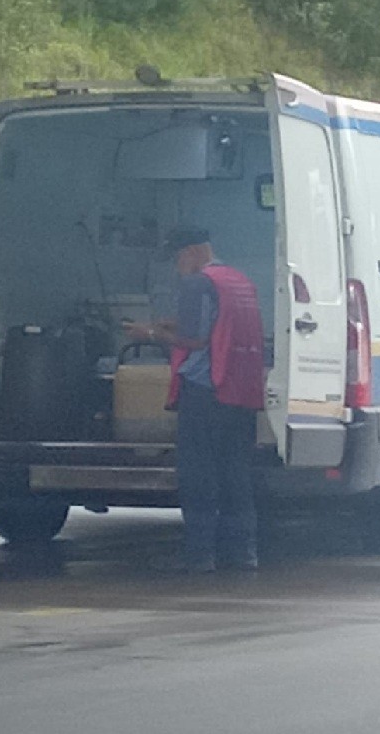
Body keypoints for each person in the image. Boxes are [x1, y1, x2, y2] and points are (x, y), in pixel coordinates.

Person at [128, 225, 265, 573]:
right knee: (236, 472)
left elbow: (195, 340)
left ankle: (200, 555)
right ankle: (243, 552)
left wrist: (151, 333)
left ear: (191, 253)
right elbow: (220, 325)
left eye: (177, 259)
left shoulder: (196, 283)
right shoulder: (237, 281)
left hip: (205, 391)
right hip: (241, 389)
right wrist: (173, 324)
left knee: (198, 474)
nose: (177, 267)